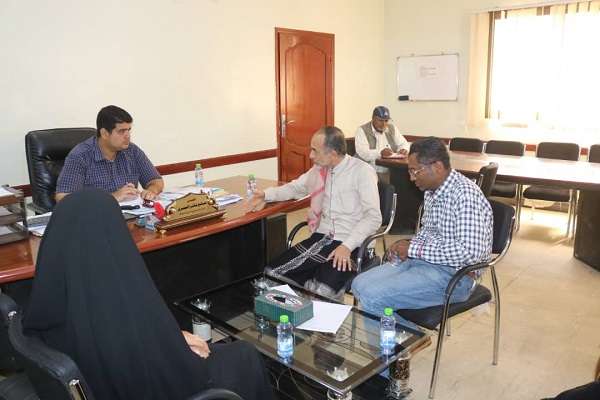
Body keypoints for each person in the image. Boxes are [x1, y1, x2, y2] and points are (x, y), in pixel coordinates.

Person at [23, 189, 274, 400]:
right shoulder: (119, 290)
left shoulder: (51, 303)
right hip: (166, 386)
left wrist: (175, 338)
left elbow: (136, 337)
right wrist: (184, 352)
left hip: (106, 382)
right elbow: (155, 361)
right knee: (245, 354)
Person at [352, 137, 493, 324]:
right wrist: (408, 245)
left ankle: (406, 341)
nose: (411, 178)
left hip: (456, 277)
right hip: (425, 263)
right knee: (358, 284)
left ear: (437, 167)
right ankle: (399, 336)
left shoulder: (465, 196)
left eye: (415, 171)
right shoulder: (433, 190)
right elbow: (430, 231)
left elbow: (469, 253)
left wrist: (414, 249)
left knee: (372, 296)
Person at [250, 126, 382, 301]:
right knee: (271, 275)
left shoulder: (362, 171)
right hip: (322, 238)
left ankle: (319, 314)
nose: (311, 155)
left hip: (354, 243)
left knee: (321, 291)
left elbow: (373, 217)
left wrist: (347, 246)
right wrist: (266, 195)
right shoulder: (319, 170)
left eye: (315, 150)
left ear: (332, 153)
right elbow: (295, 188)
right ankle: (292, 312)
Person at [55, 105, 164, 203]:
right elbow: (63, 197)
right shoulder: (81, 155)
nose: (128, 136)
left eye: (129, 130)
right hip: (95, 215)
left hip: (130, 214)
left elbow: (156, 180)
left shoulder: (132, 151)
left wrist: (151, 191)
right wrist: (113, 197)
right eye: (121, 131)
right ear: (104, 133)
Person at [355, 105, 410, 183]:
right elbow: (363, 152)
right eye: (380, 120)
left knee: (402, 180)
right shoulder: (362, 130)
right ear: (373, 118)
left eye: (386, 121)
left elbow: (403, 143)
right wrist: (380, 153)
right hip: (368, 170)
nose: (384, 124)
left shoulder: (392, 128)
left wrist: (403, 149)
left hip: (389, 170)